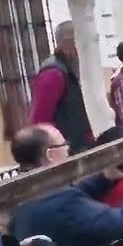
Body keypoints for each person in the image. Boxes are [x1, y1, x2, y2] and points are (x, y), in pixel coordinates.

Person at [29, 21, 92, 153]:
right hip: (64, 152)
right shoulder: (52, 73)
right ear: (70, 43)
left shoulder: (70, 68)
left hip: (79, 147)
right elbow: (40, 120)